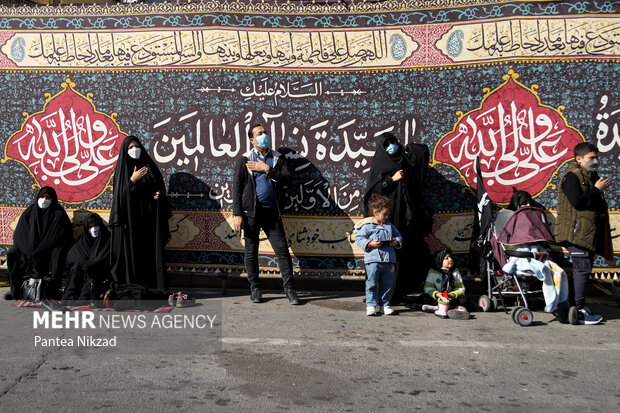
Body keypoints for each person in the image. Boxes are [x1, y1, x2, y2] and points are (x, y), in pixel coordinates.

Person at [232, 124, 299, 305]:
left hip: (272, 212)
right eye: (260, 134)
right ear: (252, 140)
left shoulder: (277, 158)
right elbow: (236, 188)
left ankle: (290, 289)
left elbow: (288, 179)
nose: (264, 136)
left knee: (283, 252)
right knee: (251, 252)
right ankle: (255, 288)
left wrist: (267, 169)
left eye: (265, 133)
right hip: (252, 213)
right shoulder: (245, 159)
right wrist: (237, 214)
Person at [364, 132, 431, 304]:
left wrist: (408, 149)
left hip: (405, 222)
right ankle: (379, 296)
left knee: (402, 257)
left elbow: (421, 153)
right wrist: (391, 180)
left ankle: (397, 293)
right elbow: (373, 192)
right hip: (387, 222)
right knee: (382, 259)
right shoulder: (380, 165)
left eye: (393, 142)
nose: (391, 147)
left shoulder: (405, 162)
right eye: (386, 144)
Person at [555, 142, 612, 325]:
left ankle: (571, 307)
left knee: (582, 270)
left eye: (596, 157)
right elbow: (578, 202)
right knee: (582, 270)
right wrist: (596, 190)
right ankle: (578, 310)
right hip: (576, 233)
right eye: (591, 158)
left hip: (586, 233)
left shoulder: (589, 176)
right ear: (578, 159)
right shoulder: (572, 177)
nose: (595, 161)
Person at [109, 135, 171, 292]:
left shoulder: (149, 167)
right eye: (130, 148)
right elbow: (120, 199)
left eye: (136, 147)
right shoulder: (122, 171)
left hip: (149, 223)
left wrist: (159, 196)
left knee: (148, 256)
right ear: (125, 151)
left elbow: (158, 189)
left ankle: (151, 288)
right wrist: (132, 181)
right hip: (129, 224)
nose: (134, 150)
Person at [5, 186, 72, 301]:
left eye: (48, 198)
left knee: (58, 253)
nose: (44, 200)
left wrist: (39, 250)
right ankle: (17, 290)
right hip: (29, 250)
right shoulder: (29, 213)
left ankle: (52, 292)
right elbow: (20, 235)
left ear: (53, 199)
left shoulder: (58, 214)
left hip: (48, 250)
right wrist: (29, 249)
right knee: (13, 252)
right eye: (42, 197)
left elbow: (58, 238)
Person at [355, 194, 403, 316]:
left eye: (388, 214)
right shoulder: (367, 226)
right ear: (376, 212)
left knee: (387, 284)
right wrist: (370, 243)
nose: (387, 217)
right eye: (384, 214)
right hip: (373, 260)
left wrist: (395, 242)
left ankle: (384, 305)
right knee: (372, 283)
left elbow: (399, 236)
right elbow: (359, 238)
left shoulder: (389, 225)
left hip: (388, 260)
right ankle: (371, 305)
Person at [62, 213, 111, 304]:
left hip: (100, 277)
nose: (94, 229)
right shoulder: (83, 242)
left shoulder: (107, 241)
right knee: (74, 271)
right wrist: (84, 264)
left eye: (96, 225)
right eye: (90, 226)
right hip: (82, 275)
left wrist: (91, 265)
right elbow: (71, 256)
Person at [422, 248, 469, 319]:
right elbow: (428, 287)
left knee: (464, 299)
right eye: (446, 258)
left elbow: (460, 287)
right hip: (437, 297)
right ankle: (442, 307)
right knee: (425, 298)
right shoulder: (433, 272)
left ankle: (444, 308)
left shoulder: (455, 272)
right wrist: (436, 294)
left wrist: (453, 294)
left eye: (451, 257)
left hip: (449, 298)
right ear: (440, 260)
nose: (450, 260)